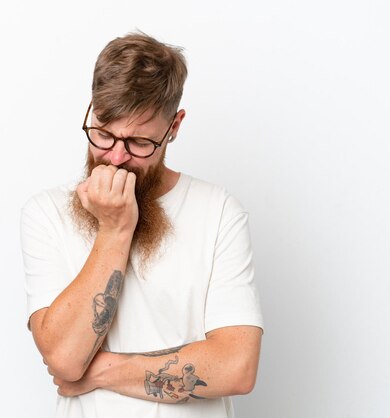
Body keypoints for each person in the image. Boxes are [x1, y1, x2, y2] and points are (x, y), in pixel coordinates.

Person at [20, 32, 264, 418]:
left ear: (174, 127)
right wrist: (115, 229)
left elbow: (237, 367)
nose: (115, 158)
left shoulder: (219, 211)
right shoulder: (46, 212)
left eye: (137, 142)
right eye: (103, 134)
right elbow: (66, 360)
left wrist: (101, 371)